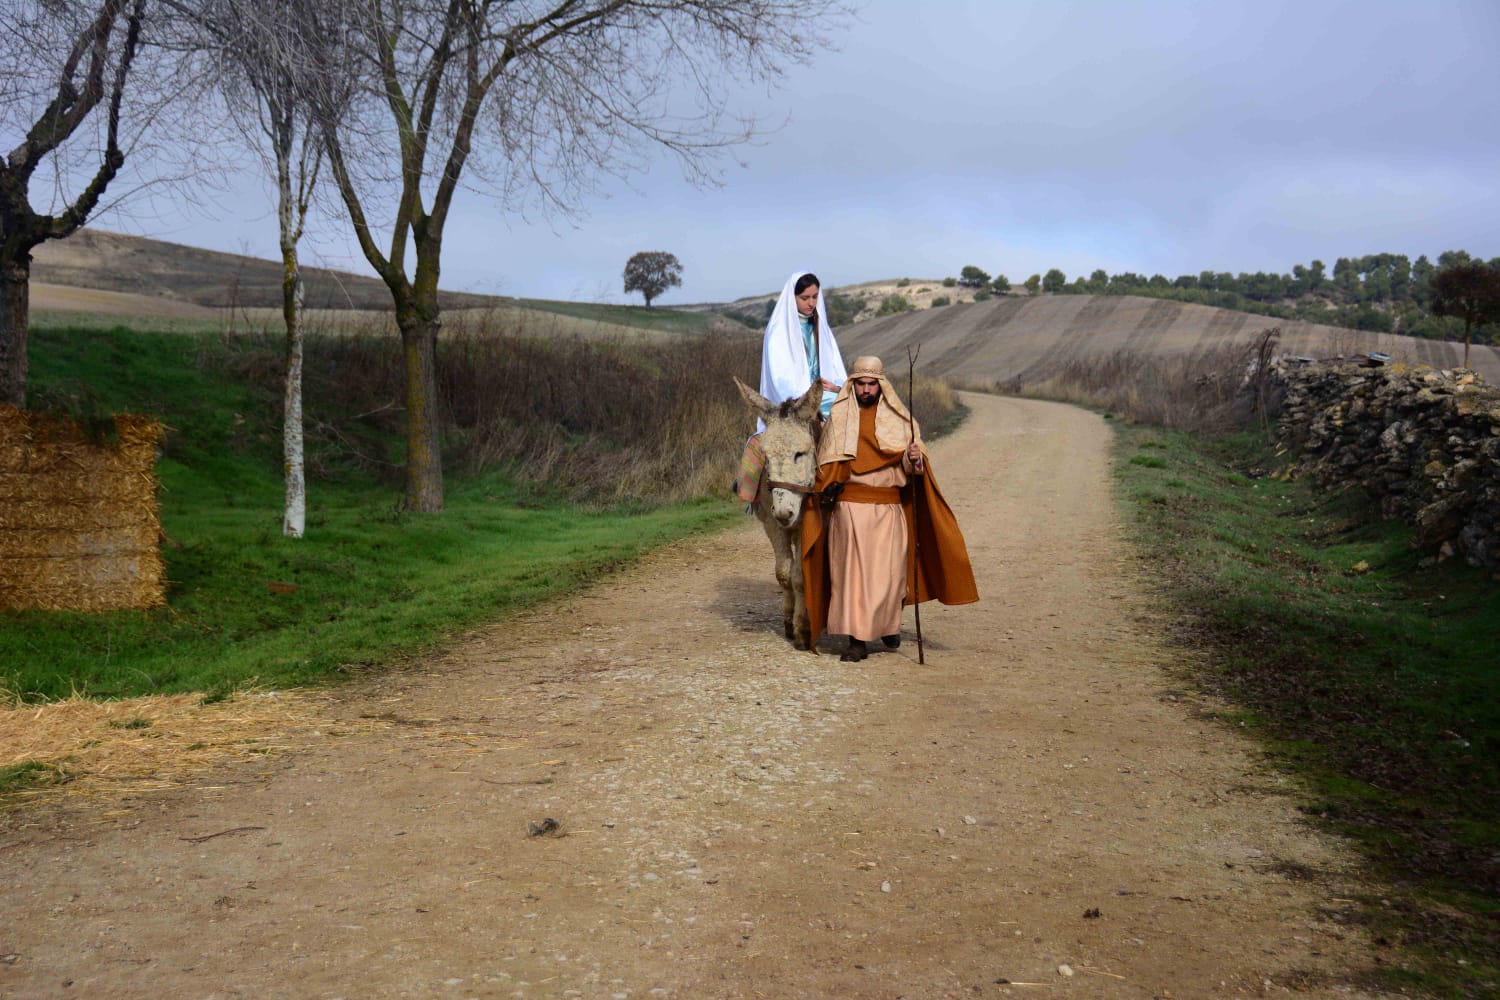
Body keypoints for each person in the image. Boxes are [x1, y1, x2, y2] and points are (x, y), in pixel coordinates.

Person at [800, 356, 978, 661]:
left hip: (888, 510)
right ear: (853, 385)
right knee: (851, 578)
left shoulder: (900, 419)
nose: (866, 390)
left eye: (872, 384)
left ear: (881, 385)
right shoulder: (840, 418)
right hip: (849, 510)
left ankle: (886, 626)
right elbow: (828, 463)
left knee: (888, 577)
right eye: (860, 384)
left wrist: (914, 458)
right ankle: (857, 641)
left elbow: (912, 465)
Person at [759, 271, 848, 426]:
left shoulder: (822, 329)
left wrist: (836, 387)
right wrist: (802, 395)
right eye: (805, 298)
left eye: (815, 297)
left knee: (852, 404)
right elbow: (778, 378)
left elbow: (835, 367)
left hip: (824, 394)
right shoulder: (778, 331)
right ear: (792, 298)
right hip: (795, 398)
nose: (811, 303)